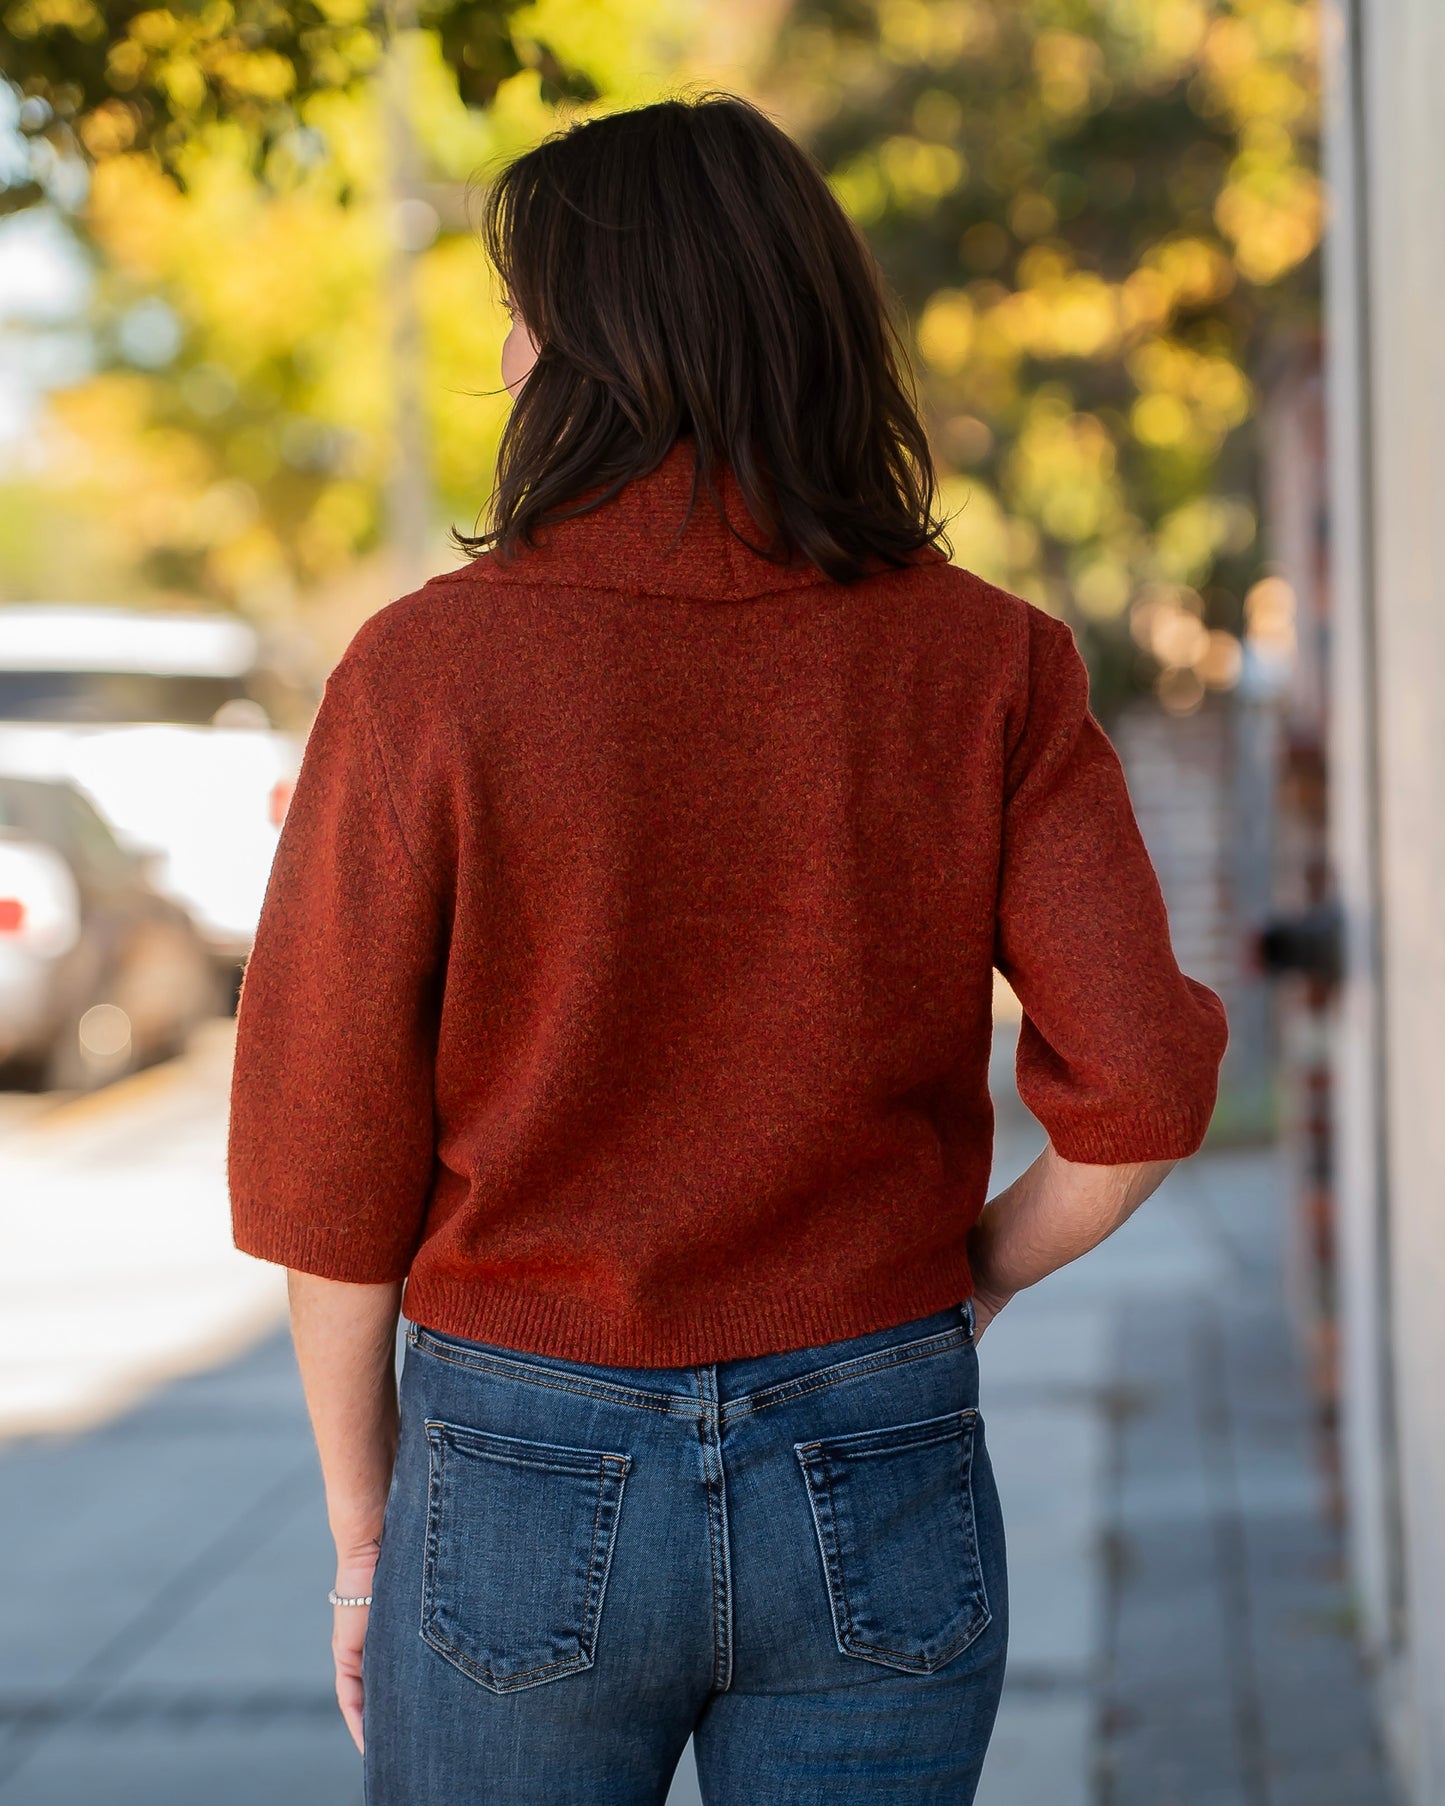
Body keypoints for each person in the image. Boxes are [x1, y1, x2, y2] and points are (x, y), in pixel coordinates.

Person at [229, 92, 1227, 1806]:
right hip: (879, 1436)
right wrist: (967, 1273)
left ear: (598, 342)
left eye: (527, 305)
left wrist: (357, 1528)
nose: (514, 346)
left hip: (522, 1457)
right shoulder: (986, 661)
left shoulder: (422, 674)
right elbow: (1136, 1088)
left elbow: (325, 1162)